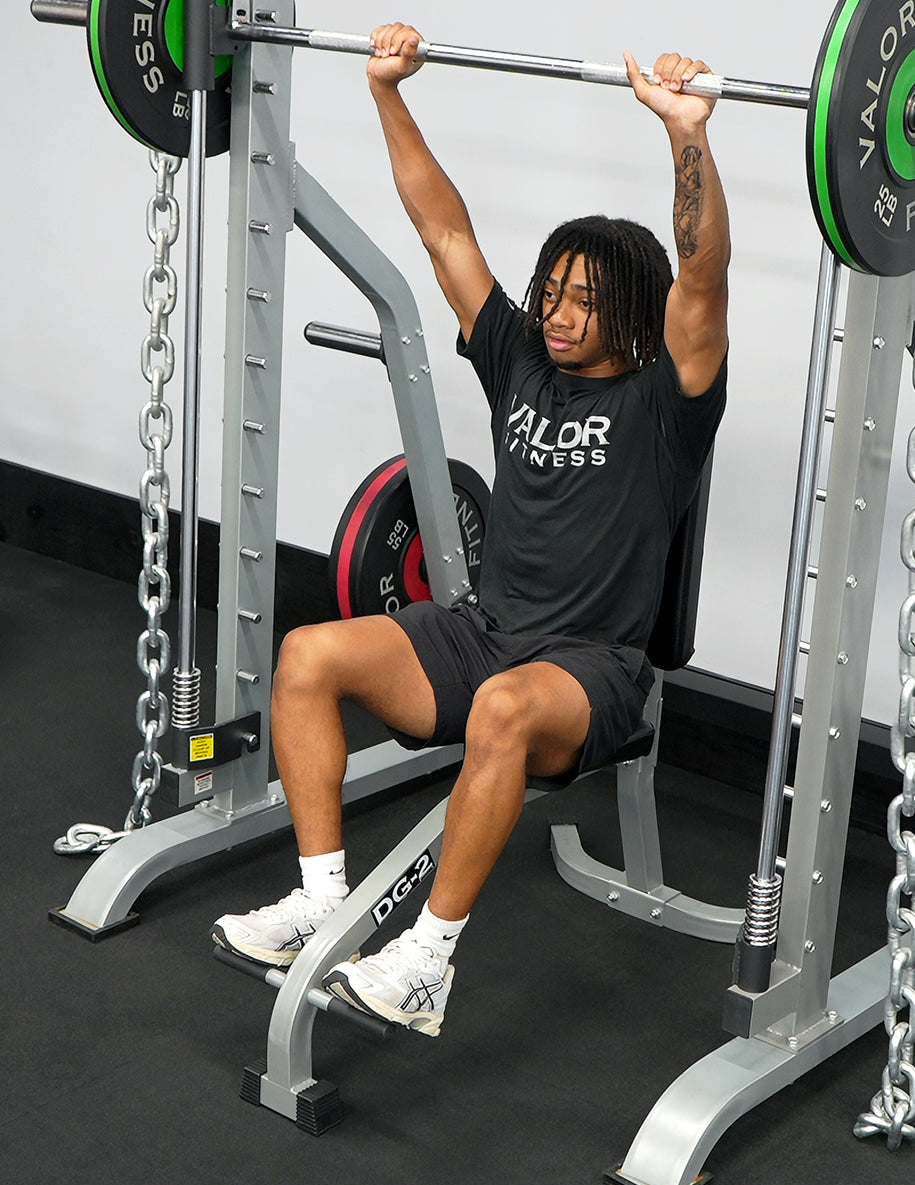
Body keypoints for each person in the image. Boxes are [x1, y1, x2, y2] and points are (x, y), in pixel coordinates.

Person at [212, 23, 730, 1034]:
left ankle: (427, 963)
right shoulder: (519, 363)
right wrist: (385, 93)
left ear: (634, 313)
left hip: (593, 668)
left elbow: (702, 282)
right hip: (483, 634)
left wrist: (685, 136)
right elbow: (443, 231)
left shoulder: (668, 402)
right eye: (552, 290)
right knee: (310, 653)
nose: (558, 311)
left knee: (499, 709)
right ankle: (321, 894)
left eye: (587, 299)